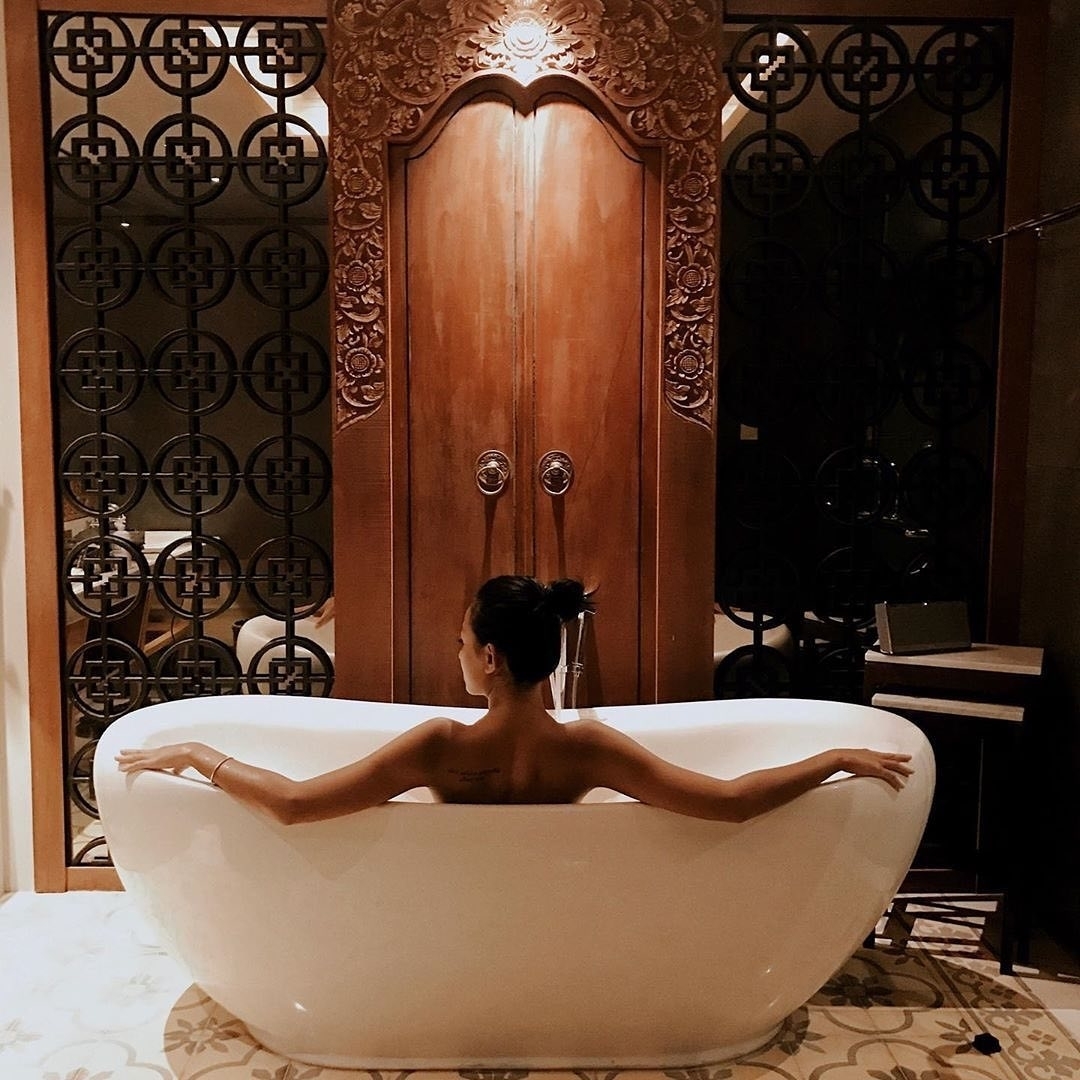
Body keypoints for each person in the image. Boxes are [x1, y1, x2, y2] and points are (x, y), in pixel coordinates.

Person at [116, 575, 912, 825]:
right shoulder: (588, 748)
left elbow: (294, 805)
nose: (456, 652)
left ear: (490, 658)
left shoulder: (438, 746)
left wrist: (198, 752)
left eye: (463, 641)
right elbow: (730, 802)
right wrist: (831, 758)